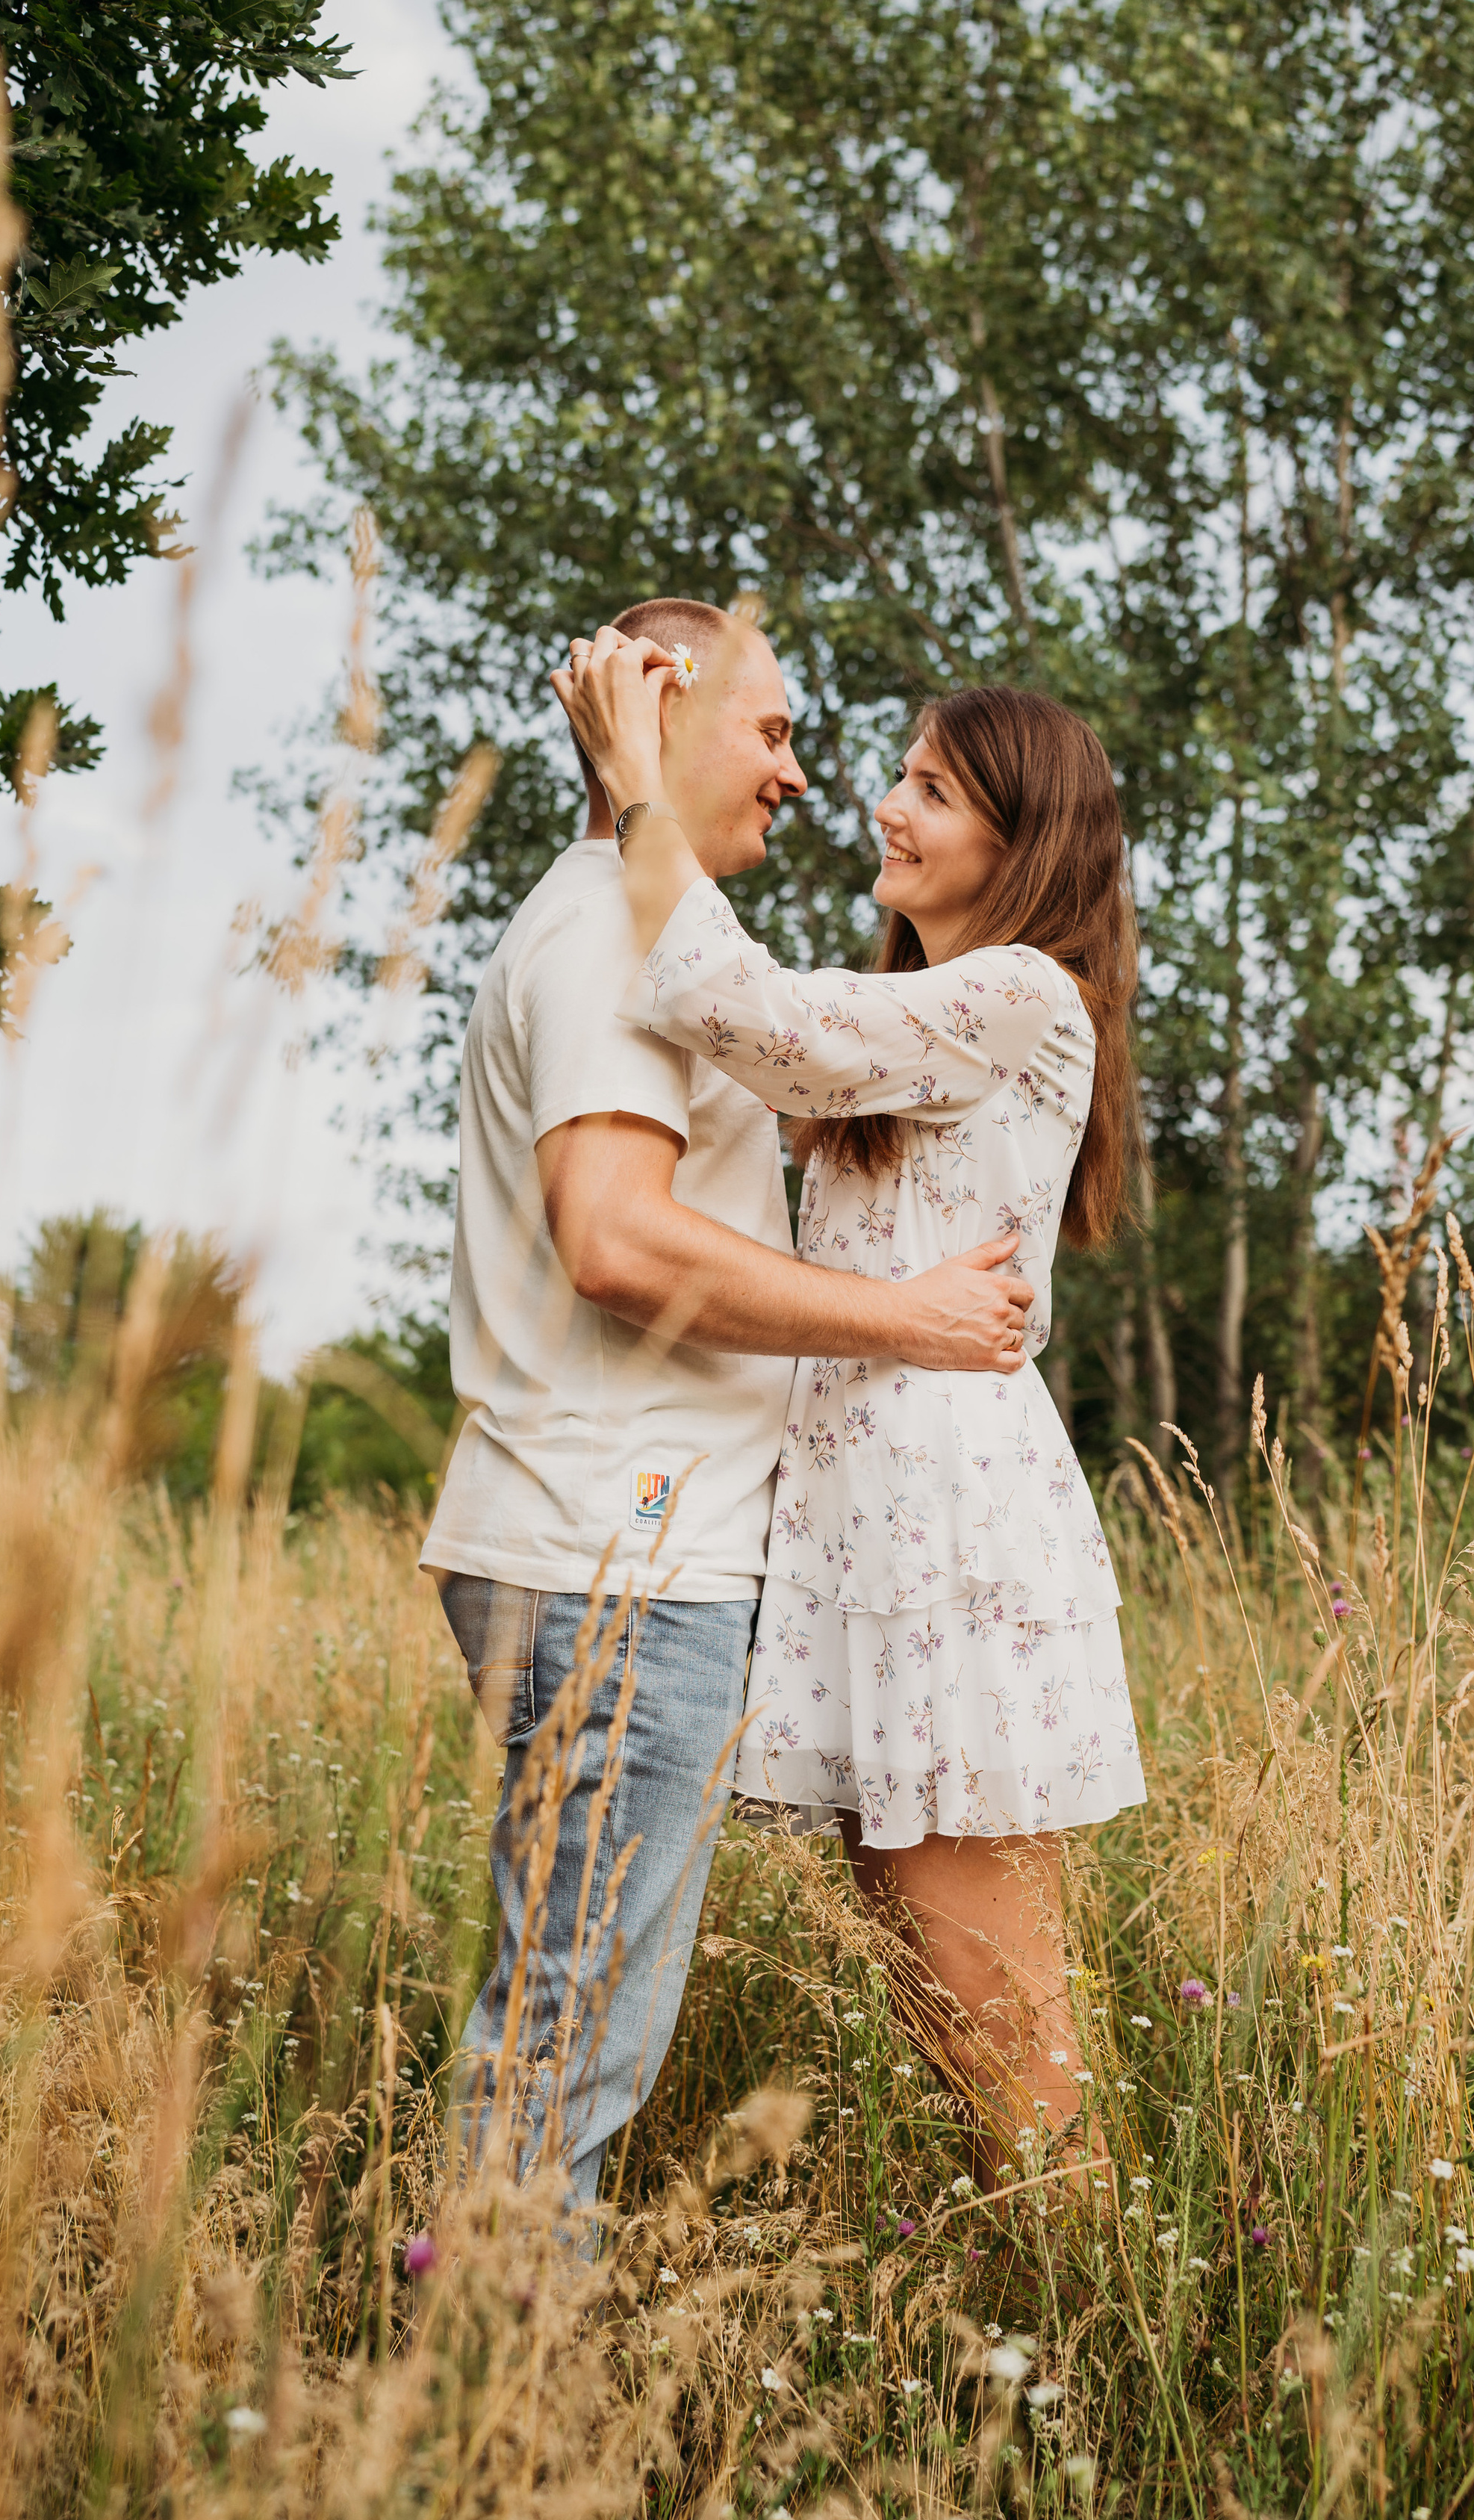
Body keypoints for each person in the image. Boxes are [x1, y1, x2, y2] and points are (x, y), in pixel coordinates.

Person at [423, 597, 1040, 2212]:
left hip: (616, 1550)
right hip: (616, 1556)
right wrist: (905, 1318)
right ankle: (477, 2370)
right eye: (770, 730)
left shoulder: (648, 928)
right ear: (666, 713)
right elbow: (616, 1241)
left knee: (571, 2034)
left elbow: (786, 1041)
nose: (798, 774)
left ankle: (475, 2348)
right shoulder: (608, 937)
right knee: (570, 2049)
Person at [554, 629, 1147, 2182]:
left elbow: (753, 1015)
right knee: (935, 1988)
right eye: (901, 775)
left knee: (992, 2001)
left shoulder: (1019, 992)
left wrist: (634, 781)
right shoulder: (941, 1013)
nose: (886, 806)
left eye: (932, 790)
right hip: (870, 1517)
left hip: (943, 1521)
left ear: (1022, 843)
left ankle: (1095, 2281)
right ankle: (1047, 2272)